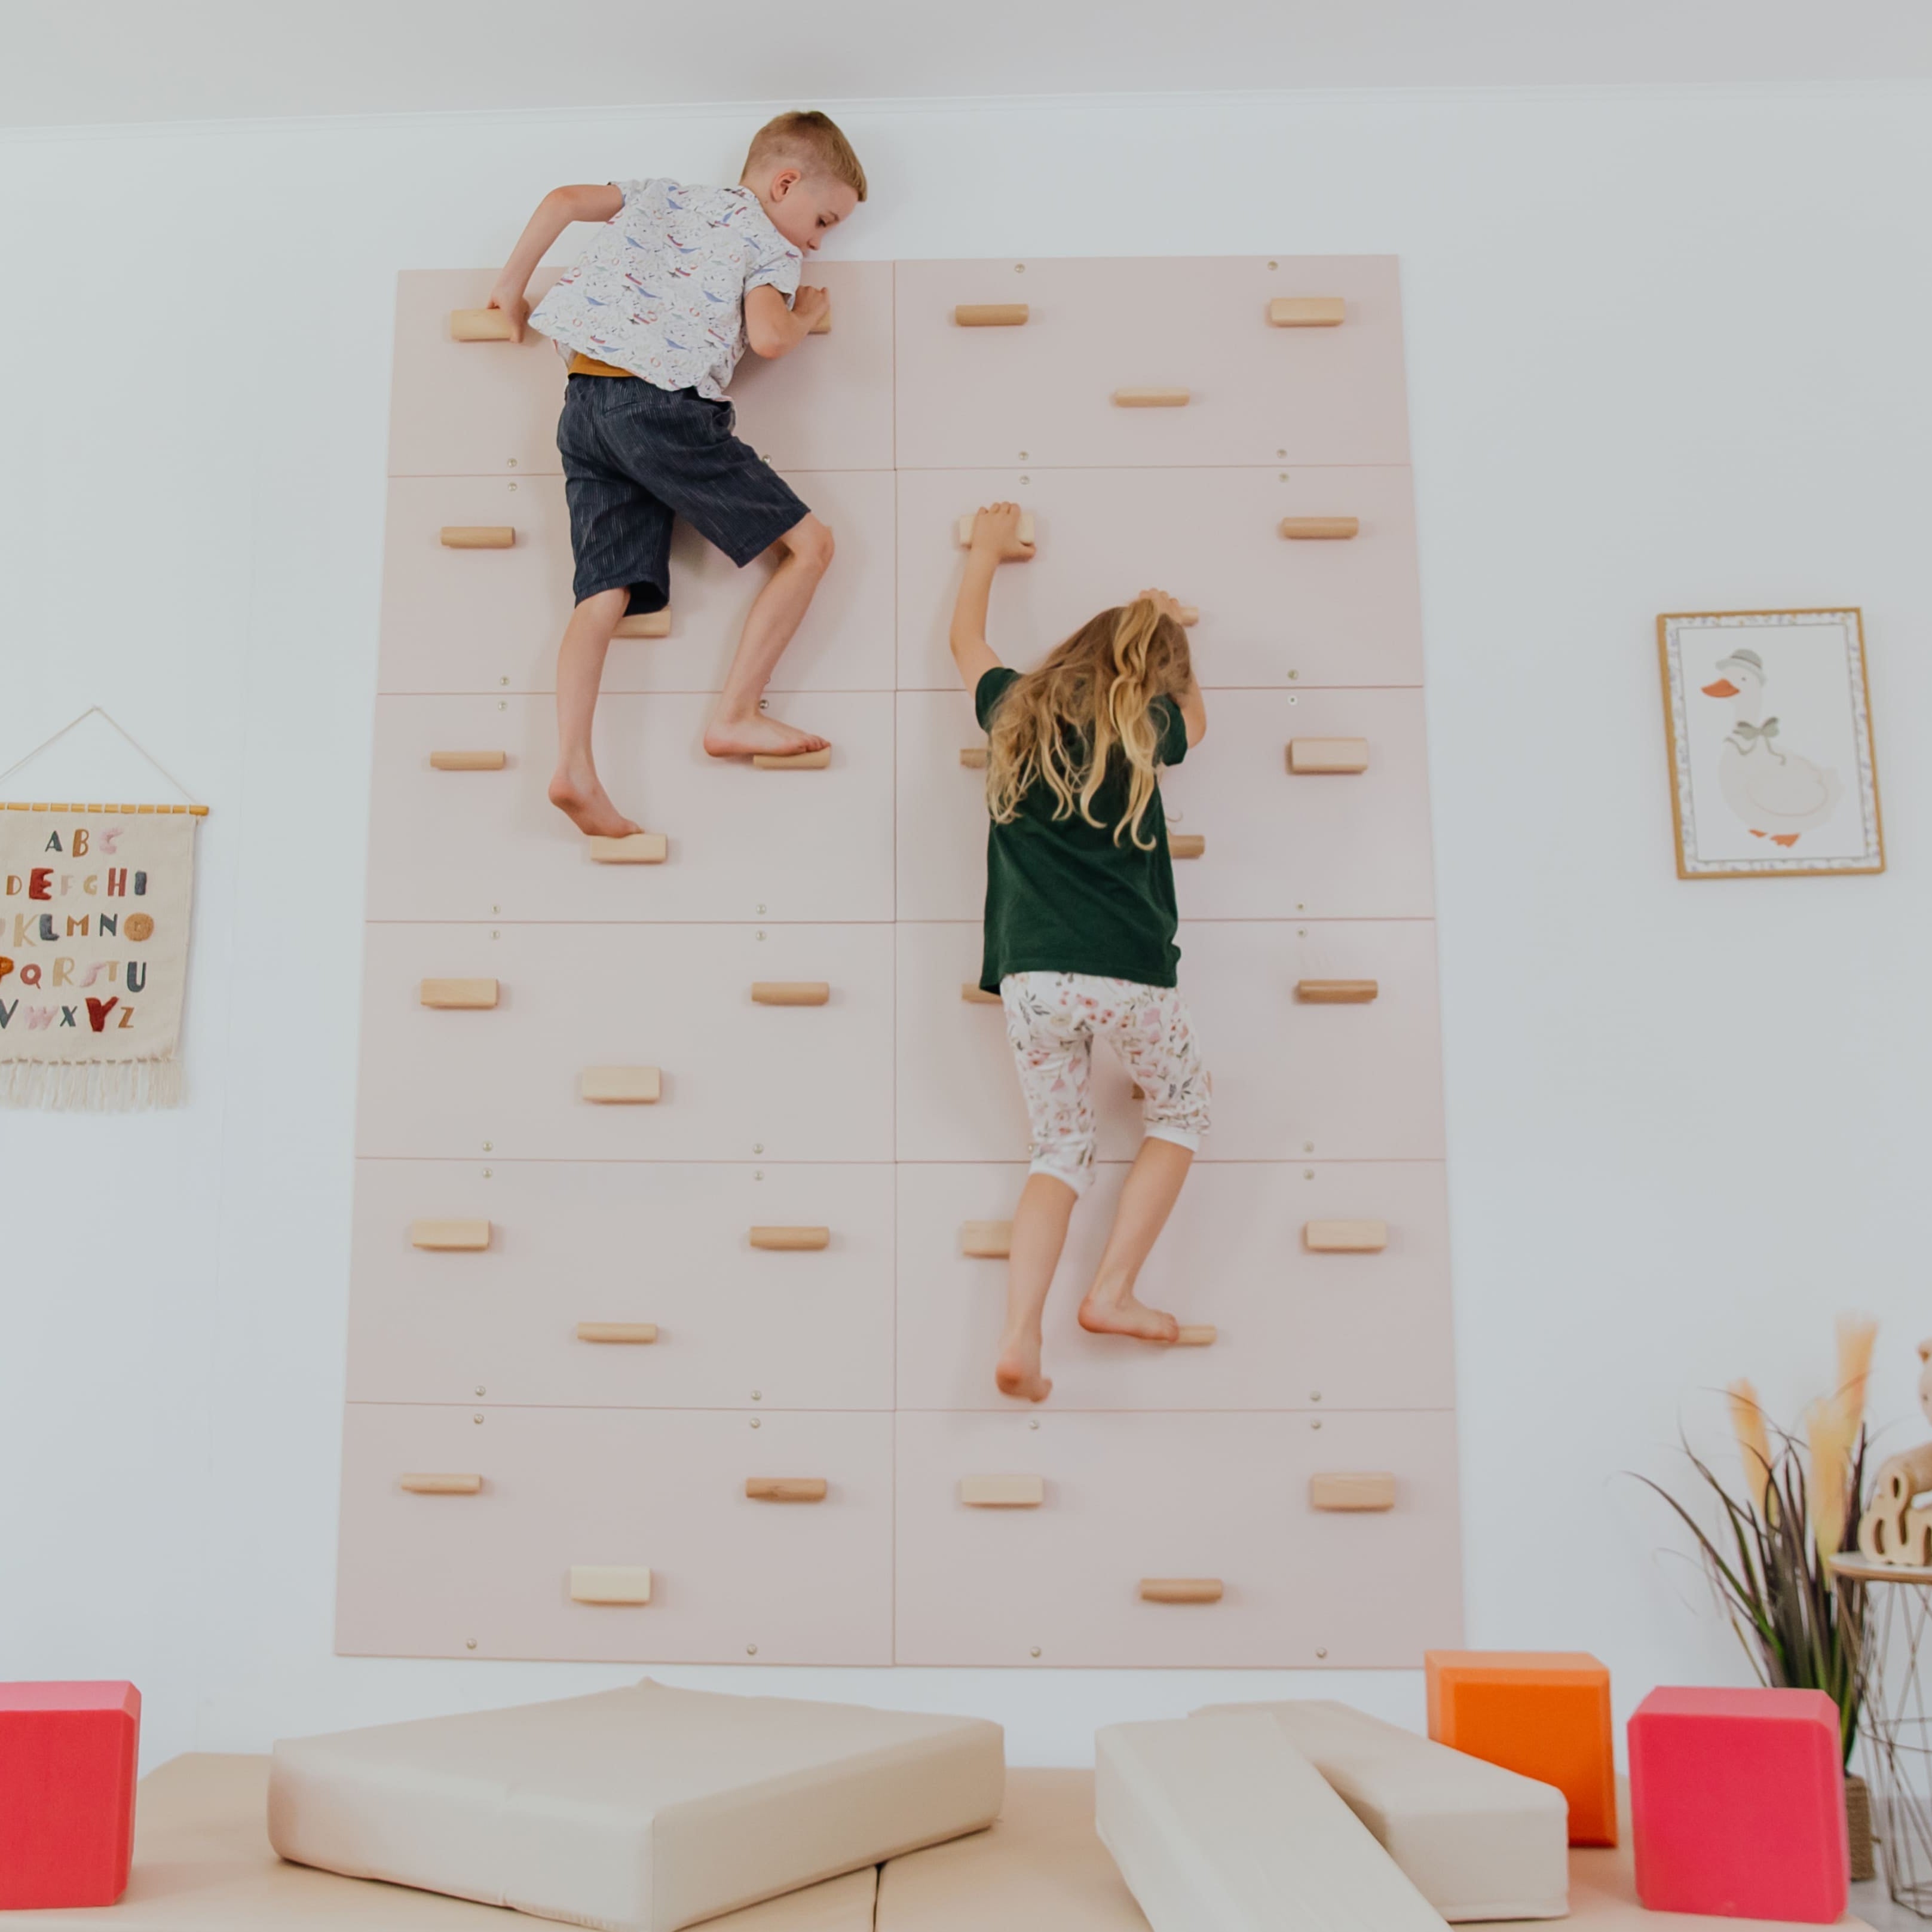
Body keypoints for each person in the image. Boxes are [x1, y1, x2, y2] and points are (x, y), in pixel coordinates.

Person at [484, 111, 867, 837]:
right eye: (822, 219)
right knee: (813, 547)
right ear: (784, 183)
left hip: (584, 406)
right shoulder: (769, 244)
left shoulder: (665, 194)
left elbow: (563, 201)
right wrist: (808, 315)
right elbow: (768, 338)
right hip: (658, 411)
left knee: (603, 592)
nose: (817, 239)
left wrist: (510, 289)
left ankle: (573, 765)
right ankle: (734, 715)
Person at [950, 503, 1211, 1403]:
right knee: (1177, 1114)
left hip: (1032, 977)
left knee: (1058, 1149)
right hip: (1129, 972)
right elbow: (1194, 717)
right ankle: (1110, 1291)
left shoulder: (1012, 708)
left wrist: (985, 551)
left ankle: (1021, 1335)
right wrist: (1169, 628)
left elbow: (965, 640)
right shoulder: (1146, 731)